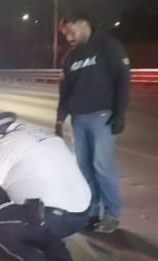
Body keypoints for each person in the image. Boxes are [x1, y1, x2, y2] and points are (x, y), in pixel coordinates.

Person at [0, 113, 92, 261]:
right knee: (28, 214)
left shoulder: (6, 145)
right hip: (80, 215)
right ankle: (61, 258)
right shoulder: (45, 137)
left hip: (53, 218)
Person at [55, 13, 130, 233]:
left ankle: (111, 214)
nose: (68, 37)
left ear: (84, 23)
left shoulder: (108, 46)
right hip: (79, 119)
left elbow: (123, 80)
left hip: (102, 117)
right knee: (84, 167)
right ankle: (90, 211)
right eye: (65, 33)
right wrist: (60, 118)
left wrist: (120, 114)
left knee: (101, 166)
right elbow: (65, 90)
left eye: (70, 31)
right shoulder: (71, 57)